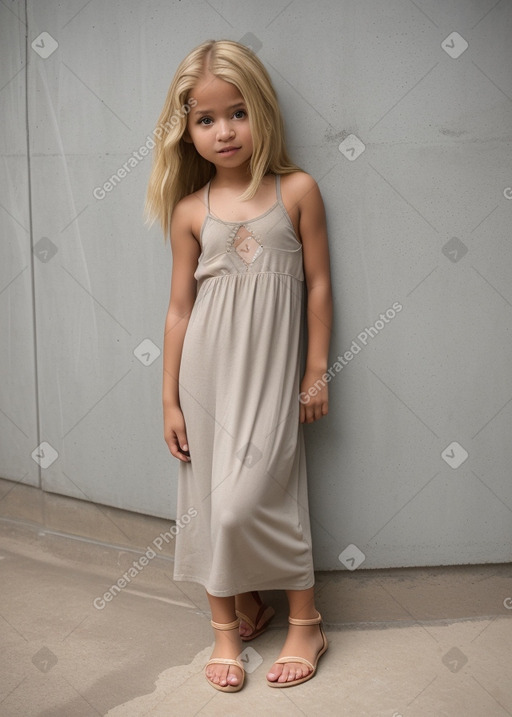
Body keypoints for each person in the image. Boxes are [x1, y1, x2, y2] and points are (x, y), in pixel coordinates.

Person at [145, 39, 333, 692]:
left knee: (262, 495)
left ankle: (305, 620)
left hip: (271, 376)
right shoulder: (191, 211)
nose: (223, 130)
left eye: (237, 113)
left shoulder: (297, 190)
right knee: (207, 503)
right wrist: (168, 398)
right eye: (205, 119)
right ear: (187, 130)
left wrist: (316, 368)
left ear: (262, 112)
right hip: (205, 376)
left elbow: (316, 286)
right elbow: (177, 310)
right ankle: (232, 623)